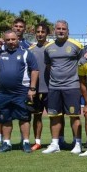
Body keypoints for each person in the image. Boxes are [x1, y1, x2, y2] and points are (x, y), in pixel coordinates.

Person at [0, 31, 38, 153]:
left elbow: (35, 70)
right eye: (8, 40)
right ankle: (6, 143)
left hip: (21, 92)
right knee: (5, 118)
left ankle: (25, 142)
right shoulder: (0, 53)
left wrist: (32, 88)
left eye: (13, 39)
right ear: (4, 41)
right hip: (4, 93)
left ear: (17, 40)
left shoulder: (26, 53)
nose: (11, 42)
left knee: (24, 118)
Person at [41, 20, 84, 154]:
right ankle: (55, 144)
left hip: (72, 86)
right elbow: (48, 66)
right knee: (55, 116)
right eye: (58, 29)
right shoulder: (48, 48)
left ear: (68, 31)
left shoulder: (77, 46)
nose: (61, 31)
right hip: (54, 87)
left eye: (63, 29)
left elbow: (82, 64)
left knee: (74, 116)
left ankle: (77, 144)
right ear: (54, 30)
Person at [28, 23, 50, 151]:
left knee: (56, 117)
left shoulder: (52, 48)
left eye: (43, 32)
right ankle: (37, 141)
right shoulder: (30, 50)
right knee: (36, 116)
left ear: (47, 33)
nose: (40, 34)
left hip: (51, 88)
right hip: (36, 89)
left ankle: (58, 141)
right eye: (38, 32)